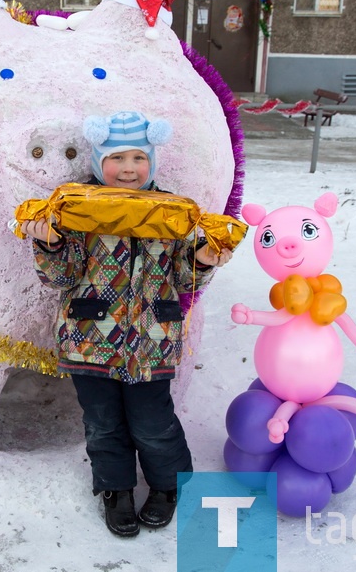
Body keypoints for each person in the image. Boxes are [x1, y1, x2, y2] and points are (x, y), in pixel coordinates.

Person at [20, 111, 232, 537]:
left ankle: (168, 485)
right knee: (102, 421)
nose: (130, 168)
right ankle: (115, 488)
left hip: (152, 340)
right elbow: (59, 279)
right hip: (89, 338)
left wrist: (202, 261)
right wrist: (50, 243)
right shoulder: (77, 208)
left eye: (139, 157)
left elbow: (181, 277)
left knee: (153, 421)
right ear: (100, 162)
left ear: (152, 161)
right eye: (118, 158)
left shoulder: (173, 212)